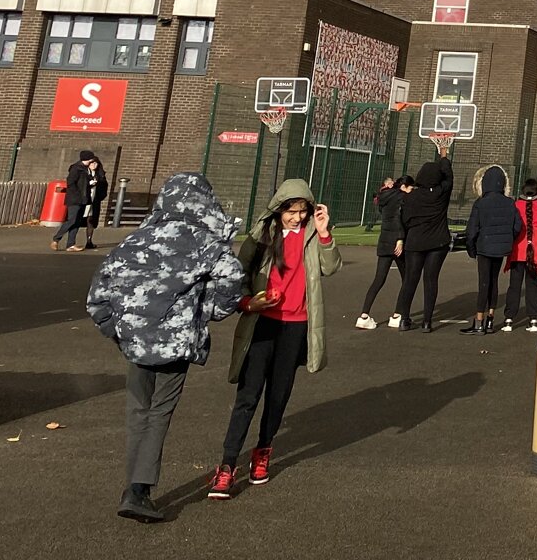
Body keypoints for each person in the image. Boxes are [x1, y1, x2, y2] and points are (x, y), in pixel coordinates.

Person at [86, 172, 246, 523]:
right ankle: (139, 490)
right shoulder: (206, 242)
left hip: (136, 341)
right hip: (176, 341)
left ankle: (133, 486)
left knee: (137, 411)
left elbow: (98, 295)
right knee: (159, 412)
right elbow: (233, 277)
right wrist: (208, 312)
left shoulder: (135, 239)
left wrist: (118, 330)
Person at [209, 178, 340, 498]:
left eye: (302, 211)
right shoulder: (261, 236)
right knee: (248, 395)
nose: (296, 217)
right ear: (278, 208)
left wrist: (324, 232)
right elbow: (238, 277)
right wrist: (247, 302)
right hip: (262, 325)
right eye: (290, 211)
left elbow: (331, 267)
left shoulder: (312, 235)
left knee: (278, 395)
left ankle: (262, 452)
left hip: (296, 327)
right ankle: (227, 465)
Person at [393, 154, 454, 331]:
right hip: (437, 241)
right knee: (431, 280)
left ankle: (405, 319)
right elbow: (449, 177)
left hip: (415, 241)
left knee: (410, 280)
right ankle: (427, 321)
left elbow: (405, 220)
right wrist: (444, 159)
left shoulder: (410, 197)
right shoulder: (440, 194)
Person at [460, 165, 524, 335]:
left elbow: (471, 230)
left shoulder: (481, 203)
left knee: (483, 283)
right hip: (501, 247)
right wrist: (508, 238)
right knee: (493, 282)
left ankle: (479, 321)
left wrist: (471, 249)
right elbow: (518, 225)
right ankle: (490, 319)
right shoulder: (510, 203)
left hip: (484, 246)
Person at [357, 174, 411, 329]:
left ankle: (364, 315)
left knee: (379, 279)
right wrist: (400, 239)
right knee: (407, 279)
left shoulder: (383, 198)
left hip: (384, 241)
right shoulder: (399, 198)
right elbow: (398, 219)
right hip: (396, 243)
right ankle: (397, 315)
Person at [504, 178, 537, 331]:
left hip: (518, 249)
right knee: (534, 286)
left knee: (514, 286)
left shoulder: (516, 205)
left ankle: (509, 319)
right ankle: (532, 319)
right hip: (535, 250)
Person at [53, 150, 110, 252]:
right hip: (75, 199)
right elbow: (71, 183)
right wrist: (79, 194)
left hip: (83, 199)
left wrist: (89, 185)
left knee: (77, 222)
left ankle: (71, 244)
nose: (93, 161)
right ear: (87, 159)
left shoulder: (85, 169)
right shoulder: (76, 169)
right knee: (72, 220)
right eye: (91, 159)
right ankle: (56, 238)